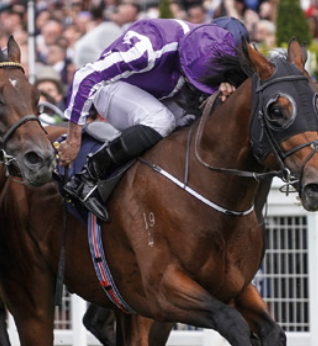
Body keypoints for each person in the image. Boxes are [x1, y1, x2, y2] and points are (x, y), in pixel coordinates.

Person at [60, 20, 242, 221]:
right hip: (112, 87)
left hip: (161, 91)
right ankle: (89, 176)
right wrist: (73, 138)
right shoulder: (147, 47)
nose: (195, 84)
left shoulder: (214, 43)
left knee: (195, 119)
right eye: (194, 78)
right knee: (161, 120)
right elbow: (85, 76)